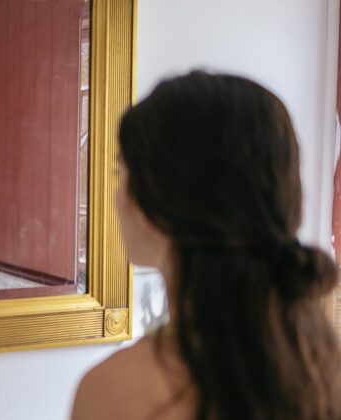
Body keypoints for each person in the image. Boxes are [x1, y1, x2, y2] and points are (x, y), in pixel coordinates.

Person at [72, 71, 341, 420]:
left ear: (164, 203)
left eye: (120, 173)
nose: (115, 195)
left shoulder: (118, 392)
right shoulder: (320, 365)